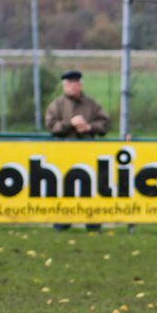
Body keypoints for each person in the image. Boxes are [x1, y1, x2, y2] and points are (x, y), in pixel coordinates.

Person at [46, 70, 109, 230]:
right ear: (64, 86)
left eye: (75, 83)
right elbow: (52, 127)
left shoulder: (92, 104)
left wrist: (89, 127)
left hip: (87, 153)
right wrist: (70, 123)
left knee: (90, 188)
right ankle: (62, 222)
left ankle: (93, 223)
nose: (72, 87)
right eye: (69, 84)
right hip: (64, 154)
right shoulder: (56, 105)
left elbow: (104, 124)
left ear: (80, 85)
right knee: (64, 188)